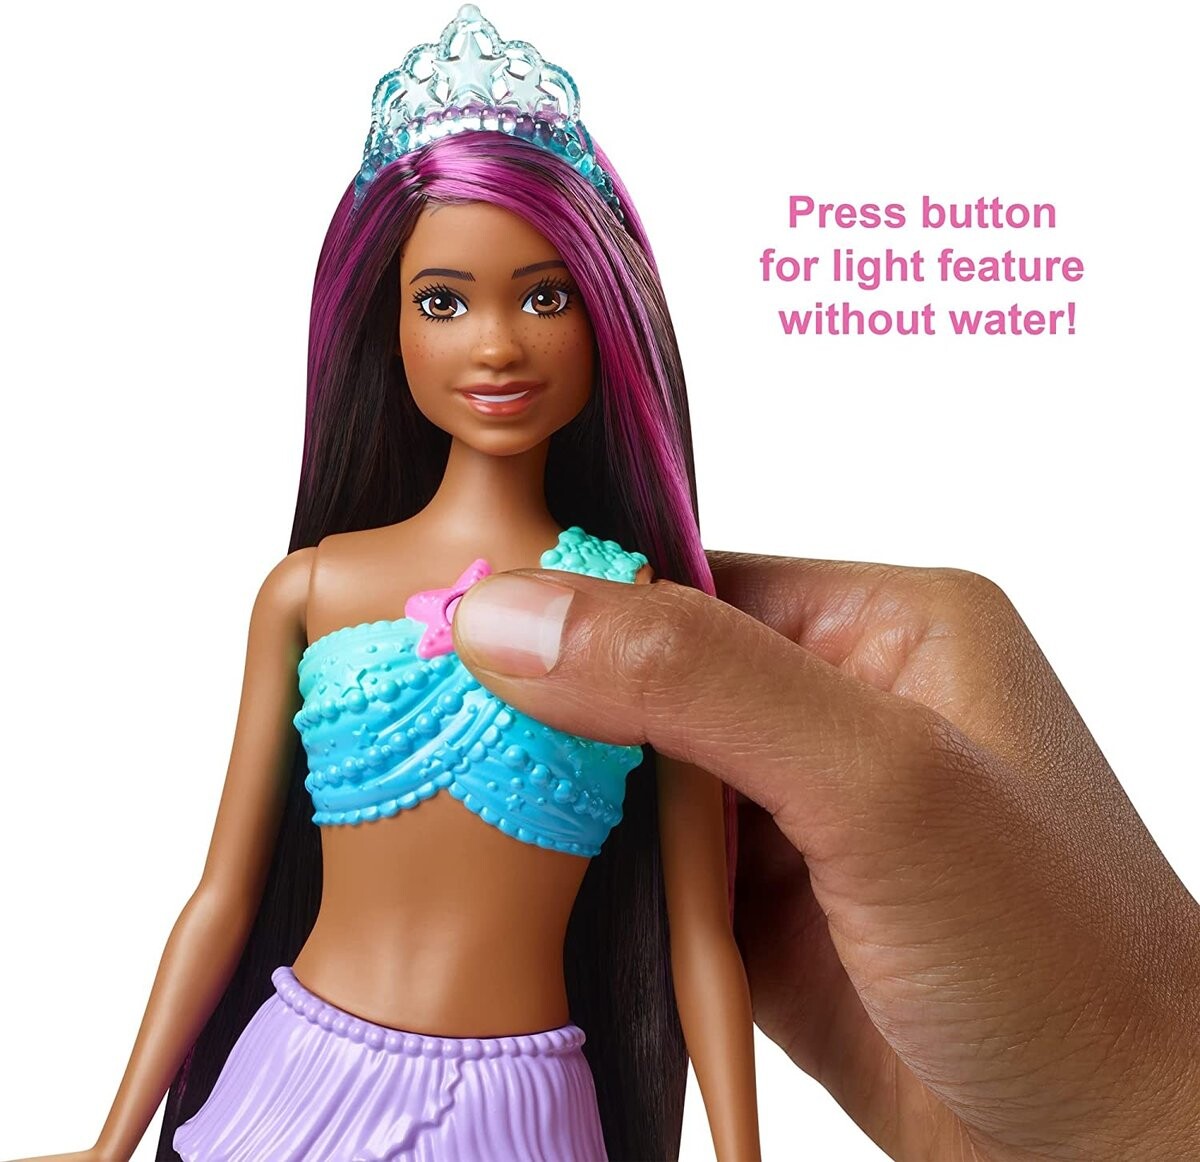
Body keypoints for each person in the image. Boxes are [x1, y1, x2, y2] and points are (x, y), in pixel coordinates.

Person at [13, 7, 759, 1162]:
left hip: (521, 1111)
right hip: (295, 1080)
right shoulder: (312, 590)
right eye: (443, 301)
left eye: (546, 297)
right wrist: (110, 1142)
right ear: (387, 328)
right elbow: (223, 895)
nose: (496, 345)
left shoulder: (648, 625)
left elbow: (699, 936)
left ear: (608, 319)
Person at [442, 550, 1200, 1159]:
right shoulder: (351, 569)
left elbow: (701, 932)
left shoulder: (621, 584)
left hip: (524, 1092)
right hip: (357, 1065)